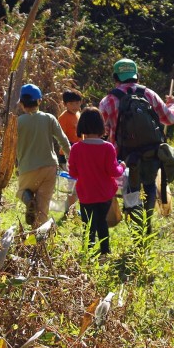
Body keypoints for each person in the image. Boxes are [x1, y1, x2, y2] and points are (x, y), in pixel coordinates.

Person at [99, 58, 174, 233]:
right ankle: (147, 224)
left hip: (124, 156)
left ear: (115, 77)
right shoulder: (149, 94)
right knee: (149, 185)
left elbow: (103, 130)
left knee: (131, 188)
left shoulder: (107, 101)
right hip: (151, 153)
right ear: (136, 76)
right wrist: (172, 105)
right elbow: (169, 118)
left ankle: (135, 225)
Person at [68, 107, 126, 257]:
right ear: (101, 126)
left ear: (81, 126)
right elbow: (114, 171)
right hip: (104, 194)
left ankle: (87, 250)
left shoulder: (76, 148)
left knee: (88, 223)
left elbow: (73, 173)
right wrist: (122, 166)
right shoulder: (108, 148)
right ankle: (105, 251)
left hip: (86, 193)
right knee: (102, 222)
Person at [16, 83, 72, 227]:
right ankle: (38, 243)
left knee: (21, 191)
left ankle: (28, 200)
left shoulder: (17, 123)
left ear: (21, 103)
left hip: (27, 168)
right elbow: (63, 140)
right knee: (42, 209)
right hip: (49, 168)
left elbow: (3, 147)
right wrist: (70, 158)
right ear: (39, 101)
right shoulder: (49, 118)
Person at [57, 88, 82, 168]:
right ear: (65, 104)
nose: (74, 106)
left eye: (77, 103)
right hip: (67, 155)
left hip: (79, 153)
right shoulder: (63, 118)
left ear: (80, 103)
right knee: (71, 179)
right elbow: (61, 138)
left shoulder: (78, 114)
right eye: (71, 103)